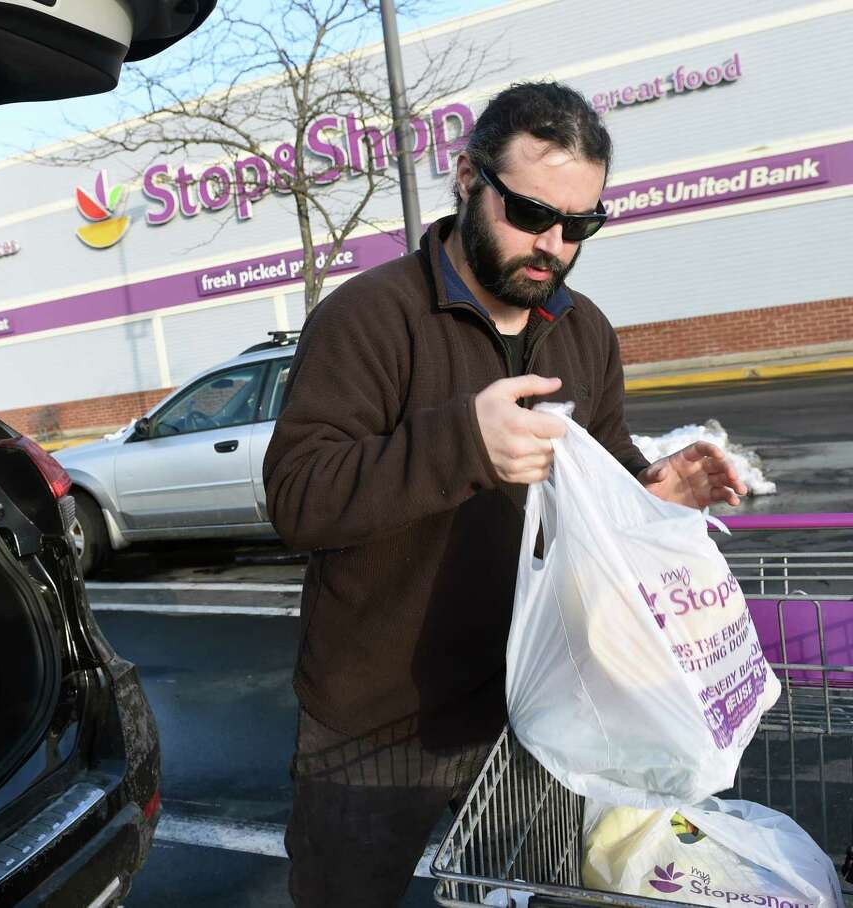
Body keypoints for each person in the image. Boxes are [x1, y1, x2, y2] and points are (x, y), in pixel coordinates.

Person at [263, 81, 748, 907]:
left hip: (539, 702)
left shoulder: (583, 328)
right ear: (467, 178)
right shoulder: (369, 319)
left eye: (581, 225)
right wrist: (463, 444)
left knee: (533, 891)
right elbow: (300, 498)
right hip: (379, 716)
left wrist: (654, 492)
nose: (553, 244)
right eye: (529, 214)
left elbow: (603, 471)